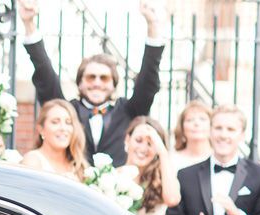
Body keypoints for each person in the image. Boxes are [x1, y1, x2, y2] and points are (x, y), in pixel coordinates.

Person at [18, 0, 165, 166]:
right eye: (90, 77)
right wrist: (28, 24)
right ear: (80, 84)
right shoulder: (68, 111)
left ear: (113, 85)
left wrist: (153, 26)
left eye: (104, 78)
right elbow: (45, 76)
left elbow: (148, 82)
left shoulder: (129, 111)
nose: (97, 83)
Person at [119, 117, 181, 215]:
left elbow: (172, 199)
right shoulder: (111, 177)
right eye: (139, 140)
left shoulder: (161, 180)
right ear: (127, 140)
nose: (143, 148)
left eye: (150, 143)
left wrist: (163, 153)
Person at [20, 99, 88, 182]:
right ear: (41, 129)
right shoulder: (33, 161)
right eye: (55, 122)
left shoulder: (78, 165)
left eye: (68, 122)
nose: (63, 128)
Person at [173, 100, 213, 170]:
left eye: (202, 119)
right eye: (190, 120)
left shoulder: (220, 158)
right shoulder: (172, 160)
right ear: (181, 127)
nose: (196, 123)